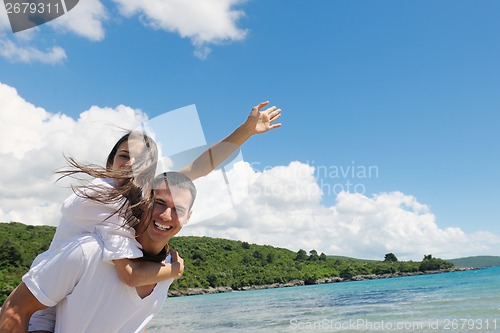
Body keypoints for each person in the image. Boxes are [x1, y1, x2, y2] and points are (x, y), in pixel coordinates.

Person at [26, 101, 283, 332]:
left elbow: (200, 167)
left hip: (73, 299)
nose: (130, 164)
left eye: (141, 161)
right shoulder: (102, 196)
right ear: (111, 161)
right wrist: (174, 270)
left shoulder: (139, 194)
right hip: (43, 308)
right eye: (124, 156)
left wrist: (246, 131)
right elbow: (130, 274)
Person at [0, 172, 196, 332]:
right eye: (159, 202)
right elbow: (15, 309)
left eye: (178, 209)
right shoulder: (89, 251)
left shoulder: (169, 268)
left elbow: (133, 321)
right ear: (145, 201)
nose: (165, 215)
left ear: (188, 217)